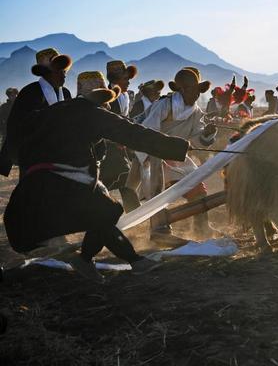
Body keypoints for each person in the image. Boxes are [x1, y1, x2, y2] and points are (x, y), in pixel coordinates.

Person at [3, 71, 190, 282]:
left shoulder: (55, 111)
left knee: (100, 213)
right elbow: (134, 134)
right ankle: (94, 260)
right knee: (106, 211)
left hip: (30, 195)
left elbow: (20, 135)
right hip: (58, 189)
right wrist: (179, 147)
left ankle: (134, 261)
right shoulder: (91, 114)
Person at [139, 67, 218, 242]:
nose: (196, 94)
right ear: (180, 89)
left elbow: (197, 139)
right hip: (155, 156)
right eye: (191, 89)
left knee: (198, 190)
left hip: (178, 156)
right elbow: (147, 132)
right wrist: (164, 149)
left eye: (198, 90)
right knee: (159, 194)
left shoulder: (196, 111)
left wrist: (207, 133)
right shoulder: (163, 105)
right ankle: (160, 229)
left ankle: (201, 227)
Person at [0, 48, 72, 177]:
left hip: (62, 156)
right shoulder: (30, 92)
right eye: (59, 70)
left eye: (64, 70)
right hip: (35, 159)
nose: (64, 74)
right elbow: (17, 126)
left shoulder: (65, 93)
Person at [100, 60, 140, 212]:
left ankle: (133, 212)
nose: (129, 82)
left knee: (122, 177)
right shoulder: (106, 96)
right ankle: (133, 212)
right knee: (119, 176)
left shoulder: (125, 96)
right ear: (115, 80)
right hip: (108, 146)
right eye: (125, 79)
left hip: (120, 145)